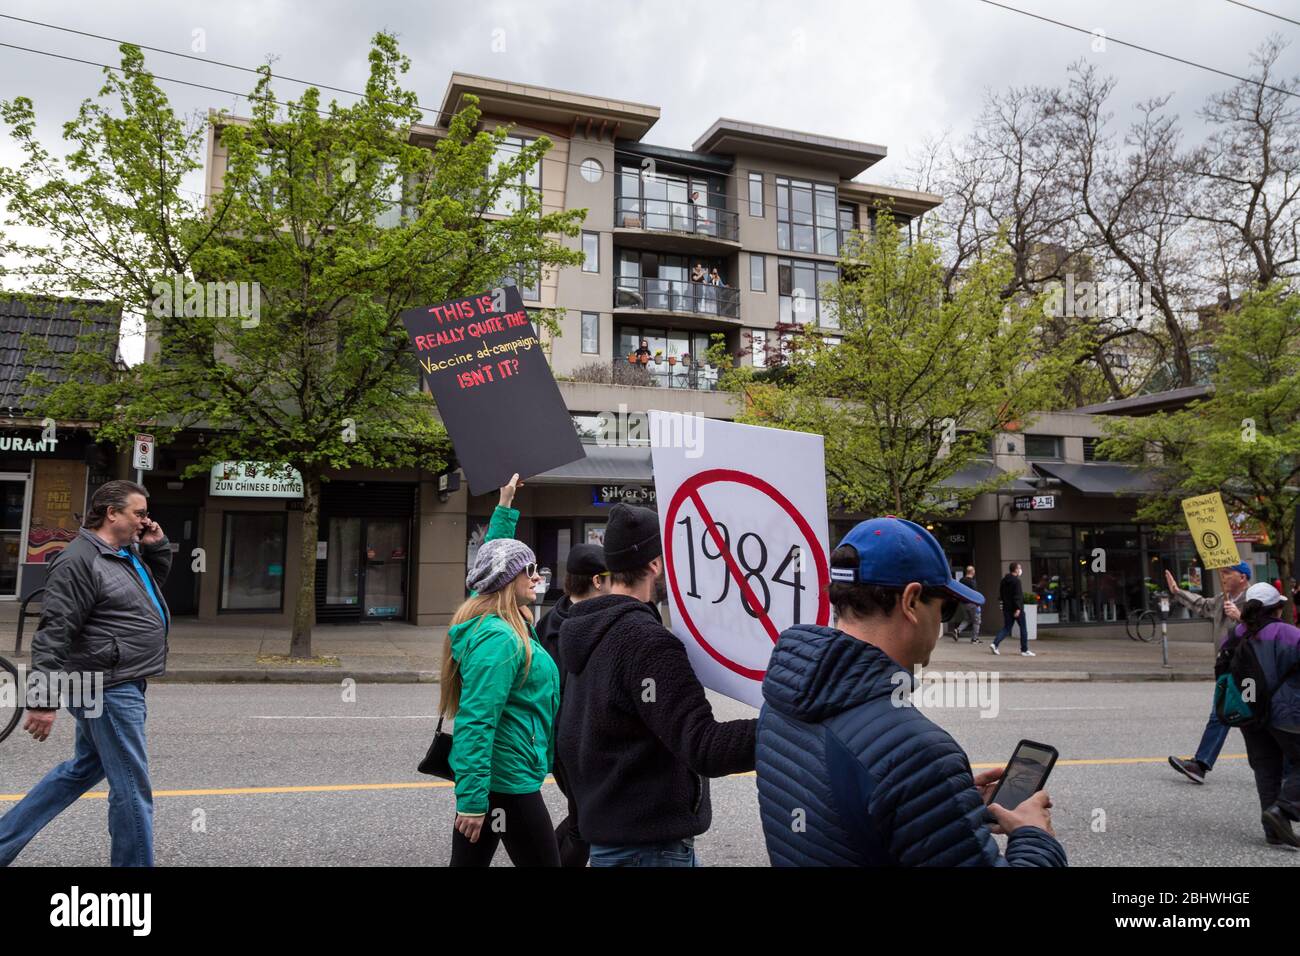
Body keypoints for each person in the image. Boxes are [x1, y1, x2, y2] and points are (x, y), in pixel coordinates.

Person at [755, 517, 1067, 866]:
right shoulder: (918, 752)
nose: (944, 621)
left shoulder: (781, 704)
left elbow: (844, 823)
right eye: (945, 607)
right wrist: (1035, 837)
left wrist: (948, 810)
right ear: (911, 600)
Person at [555, 503, 756, 867]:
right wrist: (782, 728)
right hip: (647, 849)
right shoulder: (647, 642)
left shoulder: (584, 630)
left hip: (609, 842)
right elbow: (703, 745)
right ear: (654, 565)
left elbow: (566, 741)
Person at [0, 480, 170, 867]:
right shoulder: (80, 560)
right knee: (131, 787)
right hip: (106, 685)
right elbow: (54, 632)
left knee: (80, 771)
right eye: (139, 513)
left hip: (117, 678)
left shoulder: (123, 553)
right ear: (112, 513)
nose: (146, 520)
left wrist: (156, 548)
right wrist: (42, 701)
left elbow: (147, 593)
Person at [442, 478, 561, 868]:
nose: (538, 576)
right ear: (508, 581)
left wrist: (505, 506)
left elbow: (491, 563)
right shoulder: (500, 639)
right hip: (506, 782)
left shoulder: (497, 614)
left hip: (497, 778)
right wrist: (473, 802)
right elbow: (476, 721)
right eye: (530, 570)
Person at [534, 542, 608, 868]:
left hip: (556, 739)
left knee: (581, 816)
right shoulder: (587, 628)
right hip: (576, 742)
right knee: (585, 825)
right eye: (610, 577)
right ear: (596, 581)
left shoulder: (549, 621)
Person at [1223, 583, 1300, 847]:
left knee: (1266, 769)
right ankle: (1284, 809)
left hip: (1249, 712)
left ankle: (1273, 831)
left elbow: (1222, 671)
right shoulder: (1290, 634)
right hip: (1287, 713)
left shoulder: (1235, 634)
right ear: (1277, 608)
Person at [1166, 562, 1251, 784]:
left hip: (1250, 668)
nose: (1223, 577)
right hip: (1226, 665)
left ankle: (1201, 764)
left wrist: (1241, 617)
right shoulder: (1222, 599)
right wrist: (1177, 591)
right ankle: (1200, 765)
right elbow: (1202, 605)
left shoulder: (1254, 599)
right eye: (1222, 573)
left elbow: (1268, 628)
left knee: (1240, 716)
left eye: (1227, 573)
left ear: (1242, 577)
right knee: (1229, 715)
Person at [991, 562, 1032, 656]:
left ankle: (995, 644)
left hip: (1007, 608)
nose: (1020, 570)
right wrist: (1018, 608)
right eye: (1020, 568)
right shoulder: (1016, 581)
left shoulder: (1004, 580)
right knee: (1023, 629)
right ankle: (1024, 650)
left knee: (1006, 628)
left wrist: (1002, 604)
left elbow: (1001, 594)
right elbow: (1017, 596)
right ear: (1016, 569)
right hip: (1016, 609)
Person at [952, 565, 983, 644]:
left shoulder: (961, 580)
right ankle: (974, 639)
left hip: (963, 603)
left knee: (967, 619)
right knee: (976, 621)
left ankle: (958, 630)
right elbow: (975, 594)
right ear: (972, 572)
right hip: (972, 604)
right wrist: (978, 604)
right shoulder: (972, 582)